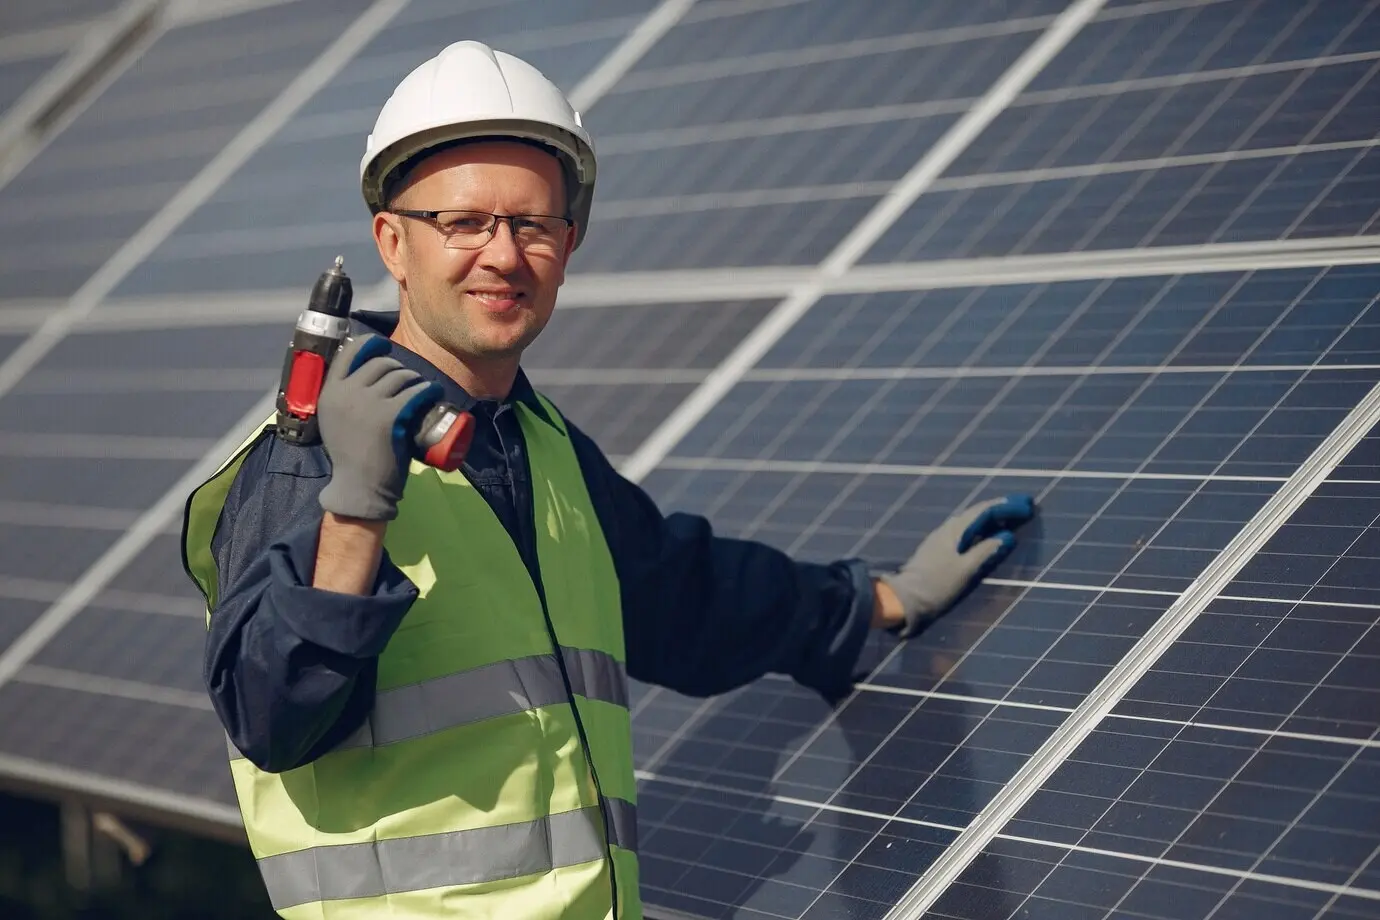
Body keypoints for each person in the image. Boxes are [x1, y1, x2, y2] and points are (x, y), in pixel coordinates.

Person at [180, 40, 1036, 920]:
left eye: (533, 225)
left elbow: (685, 596)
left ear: (570, 241)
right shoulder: (301, 455)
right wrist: (355, 508)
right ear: (393, 243)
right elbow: (268, 715)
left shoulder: (540, 447)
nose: (504, 256)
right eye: (464, 223)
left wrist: (877, 603)